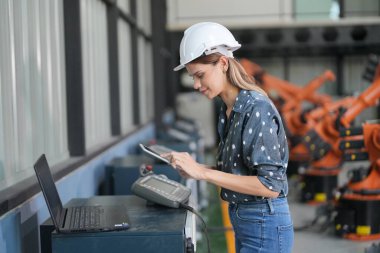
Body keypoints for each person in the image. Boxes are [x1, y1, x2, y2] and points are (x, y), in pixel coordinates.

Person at [164, 22, 294, 253]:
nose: (196, 85)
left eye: (200, 75)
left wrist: (203, 173)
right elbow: (238, 169)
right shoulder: (229, 110)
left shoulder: (255, 108)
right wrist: (195, 167)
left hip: (264, 222)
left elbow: (270, 185)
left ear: (223, 63)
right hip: (246, 219)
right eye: (192, 77)